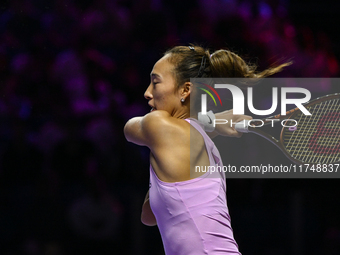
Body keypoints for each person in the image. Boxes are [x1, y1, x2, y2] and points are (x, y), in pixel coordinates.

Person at [124, 45, 290, 255]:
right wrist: (211, 123)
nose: (147, 93)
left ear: (185, 90)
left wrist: (211, 122)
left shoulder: (158, 126)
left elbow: (129, 128)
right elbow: (148, 216)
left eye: (155, 82)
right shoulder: (200, 143)